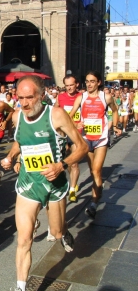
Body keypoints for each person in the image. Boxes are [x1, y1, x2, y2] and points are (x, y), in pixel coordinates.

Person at [1, 76, 88, 291]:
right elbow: (20, 140)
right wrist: (13, 157)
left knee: (57, 232)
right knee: (24, 238)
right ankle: (21, 287)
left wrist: (62, 165)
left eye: (29, 97)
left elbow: (82, 147)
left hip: (55, 182)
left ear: (41, 95)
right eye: (20, 98)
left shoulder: (56, 115)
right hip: (29, 183)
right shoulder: (18, 116)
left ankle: (64, 232)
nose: (24, 103)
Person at [69, 71, 121, 220]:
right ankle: (98, 190)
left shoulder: (106, 97)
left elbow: (115, 111)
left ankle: (93, 203)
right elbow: (70, 115)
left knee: (97, 171)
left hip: (101, 138)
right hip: (86, 138)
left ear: (99, 82)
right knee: (93, 172)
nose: (89, 84)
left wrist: (115, 126)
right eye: (87, 81)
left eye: (92, 81)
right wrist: (76, 123)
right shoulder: (81, 97)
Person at [55, 74, 82, 202]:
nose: (69, 88)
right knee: (68, 163)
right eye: (67, 86)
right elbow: (54, 113)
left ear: (77, 84)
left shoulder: (82, 97)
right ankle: (73, 182)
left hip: (76, 133)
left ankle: (72, 190)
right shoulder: (60, 97)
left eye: (72, 85)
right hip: (63, 134)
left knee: (74, 162)